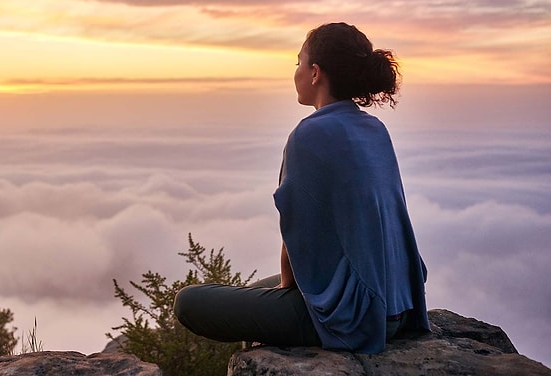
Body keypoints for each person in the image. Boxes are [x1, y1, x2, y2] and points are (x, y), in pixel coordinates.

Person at [174, 22, 429, 354]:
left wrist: (285, 296)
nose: (295, 71)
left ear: (315, 73)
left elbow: (297, 237)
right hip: (398, 304)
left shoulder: (310, 134)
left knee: (189, 302)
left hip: (357, 318)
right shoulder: (374, 129)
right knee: (253, 290)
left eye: (298, 62)